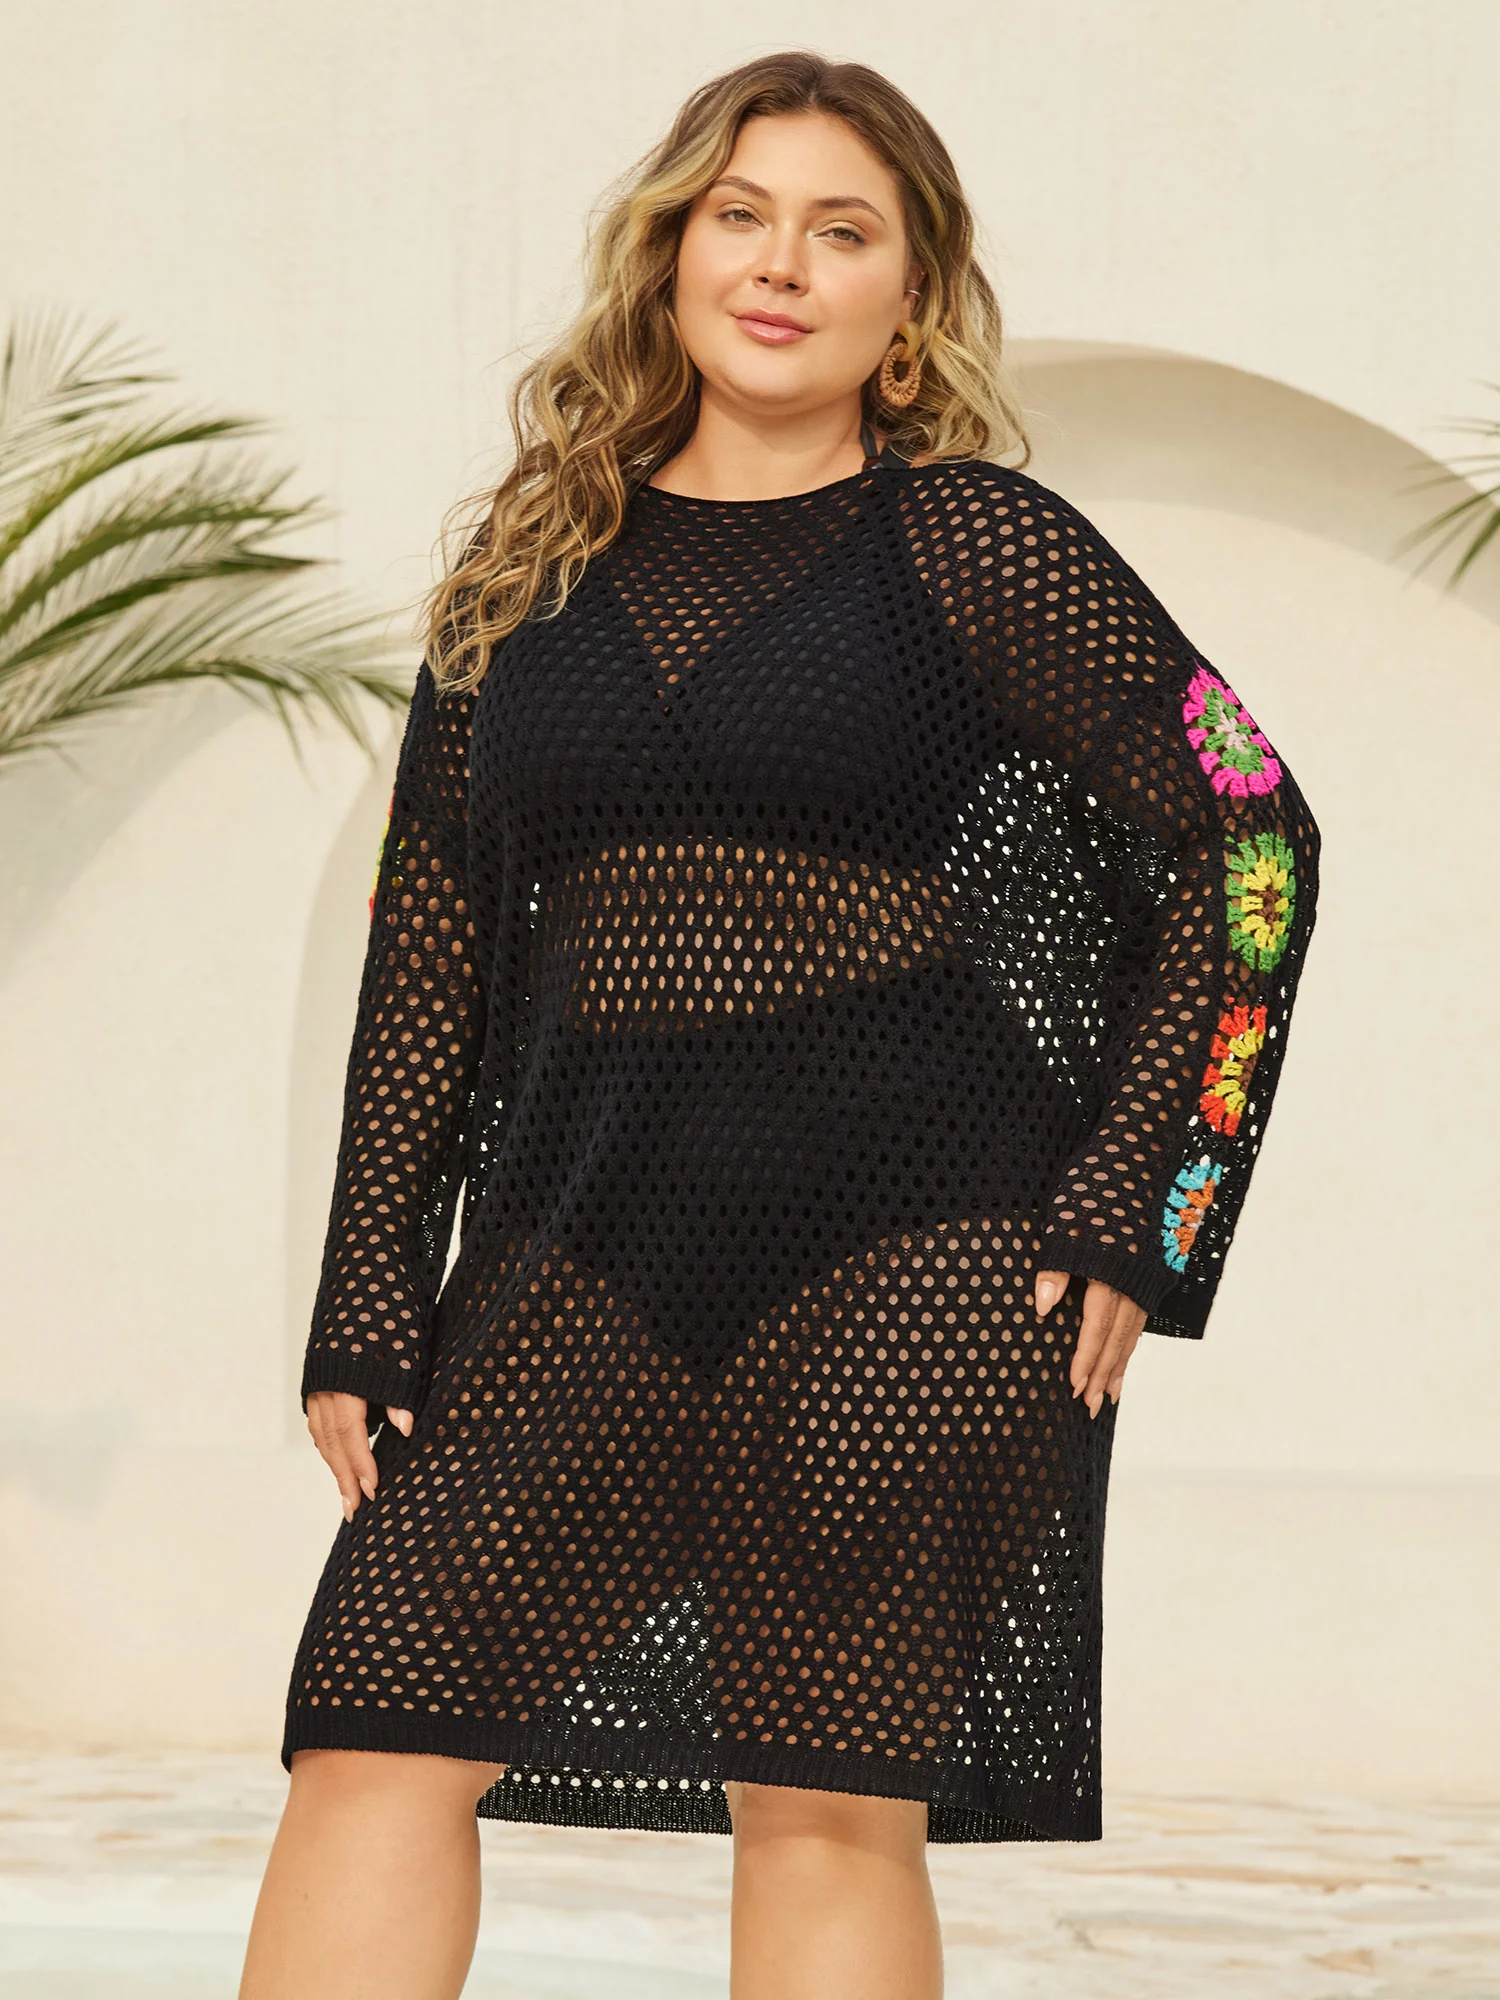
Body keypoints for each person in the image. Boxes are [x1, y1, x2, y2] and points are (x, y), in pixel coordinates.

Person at [239, 49, 1320, 2000]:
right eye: (740, 215)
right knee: (374, 1734)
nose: (781, 265)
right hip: (581, 1242)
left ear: (910, 299)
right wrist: (367, 1290)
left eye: (842, 231)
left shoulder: (976, 541)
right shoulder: (522, 570)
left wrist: (1144, 1206)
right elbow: (432, 940)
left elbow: (1249, 831)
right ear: (670, 250)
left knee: (820, 1800)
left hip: (917, 1250)